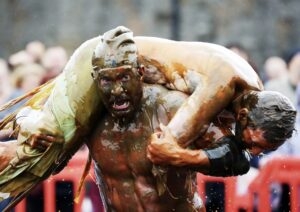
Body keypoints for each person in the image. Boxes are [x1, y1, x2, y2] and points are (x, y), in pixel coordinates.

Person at [0, 26, 297, 211]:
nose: (256, 152)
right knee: (46, 143)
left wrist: (180, 156)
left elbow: (235, 159)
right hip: (102, 52)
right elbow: (166, 146)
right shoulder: (222, 86)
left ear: (141, 75)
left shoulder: (182, 104)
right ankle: (26, 116)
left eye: (265, 150)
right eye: (258, 144)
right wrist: (27, 120)